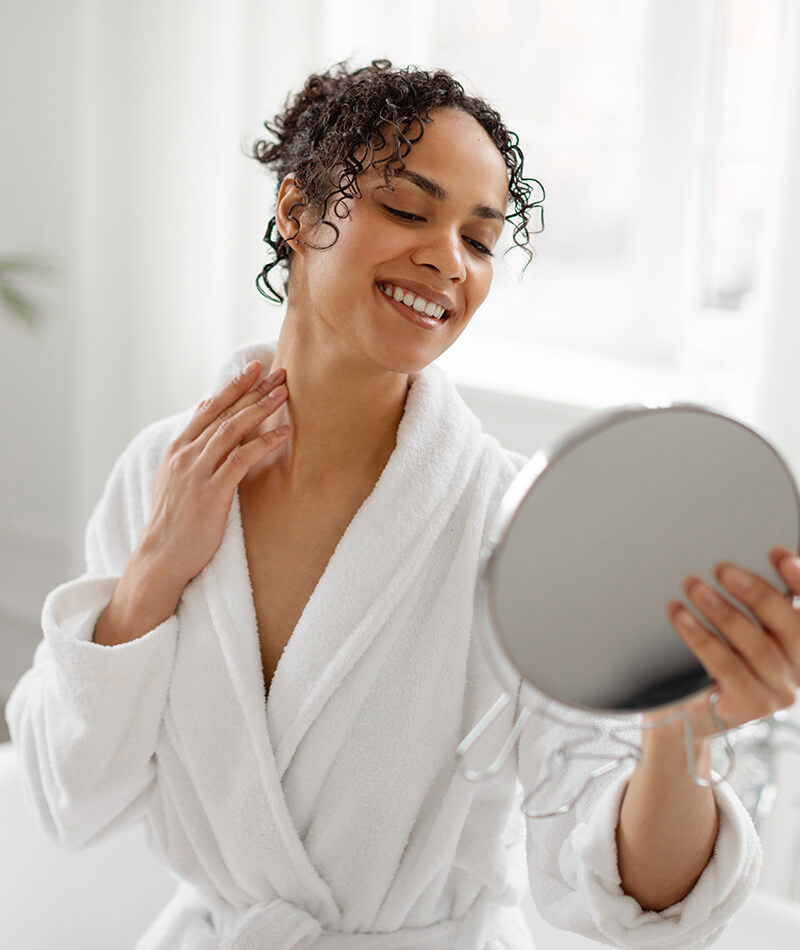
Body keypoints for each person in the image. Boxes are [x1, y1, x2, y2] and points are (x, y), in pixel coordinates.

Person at [5, 60, 772, 949]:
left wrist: (682, 726)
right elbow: (67, 795)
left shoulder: (510, 527)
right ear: (295, 212)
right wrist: (152, 578)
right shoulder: (160, 474)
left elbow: (624, 896)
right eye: (408, 210)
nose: (448, 259)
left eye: (481, 242)